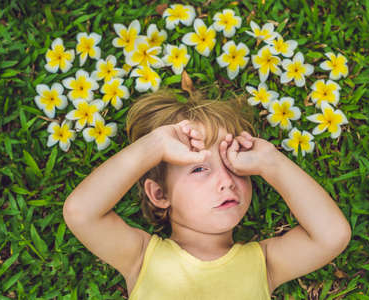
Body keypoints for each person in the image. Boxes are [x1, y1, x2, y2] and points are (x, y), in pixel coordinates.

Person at [63, 87, 351, 299]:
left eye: (235, 167)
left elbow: (332, 235)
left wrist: (271, 163)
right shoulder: (141, 257)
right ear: (160, 194)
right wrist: (154, 147)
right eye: (200, 169)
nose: (226, 181)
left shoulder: (264, 263)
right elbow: (81, 212)